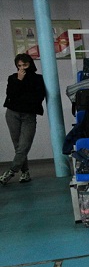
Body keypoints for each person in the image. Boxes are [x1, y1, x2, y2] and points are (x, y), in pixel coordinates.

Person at [1, 54, 46, 186]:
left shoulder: (38, 79)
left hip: (29, 115)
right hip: (12, 113)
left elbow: (39, 96)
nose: (22, 68)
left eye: (24, 65)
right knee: (18, 146)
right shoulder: (13, 78)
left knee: (24, 145)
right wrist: (19, 81)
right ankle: (25, 172)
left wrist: (24, 98)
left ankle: (11, 171)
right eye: (19, 65)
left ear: (30, 64)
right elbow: (11, 95)